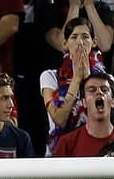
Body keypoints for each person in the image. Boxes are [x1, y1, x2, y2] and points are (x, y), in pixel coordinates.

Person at [40, 18, 105, 156]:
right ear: (64, 43)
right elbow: (59, 120)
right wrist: (76, 80)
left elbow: (105, 121)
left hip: (94, 152)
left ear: (94, 43)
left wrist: (88, 80)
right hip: (60, 152)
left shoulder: (104, 80)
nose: (80, 42)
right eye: (74, 37)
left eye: (85, 37)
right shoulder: (50, 77)